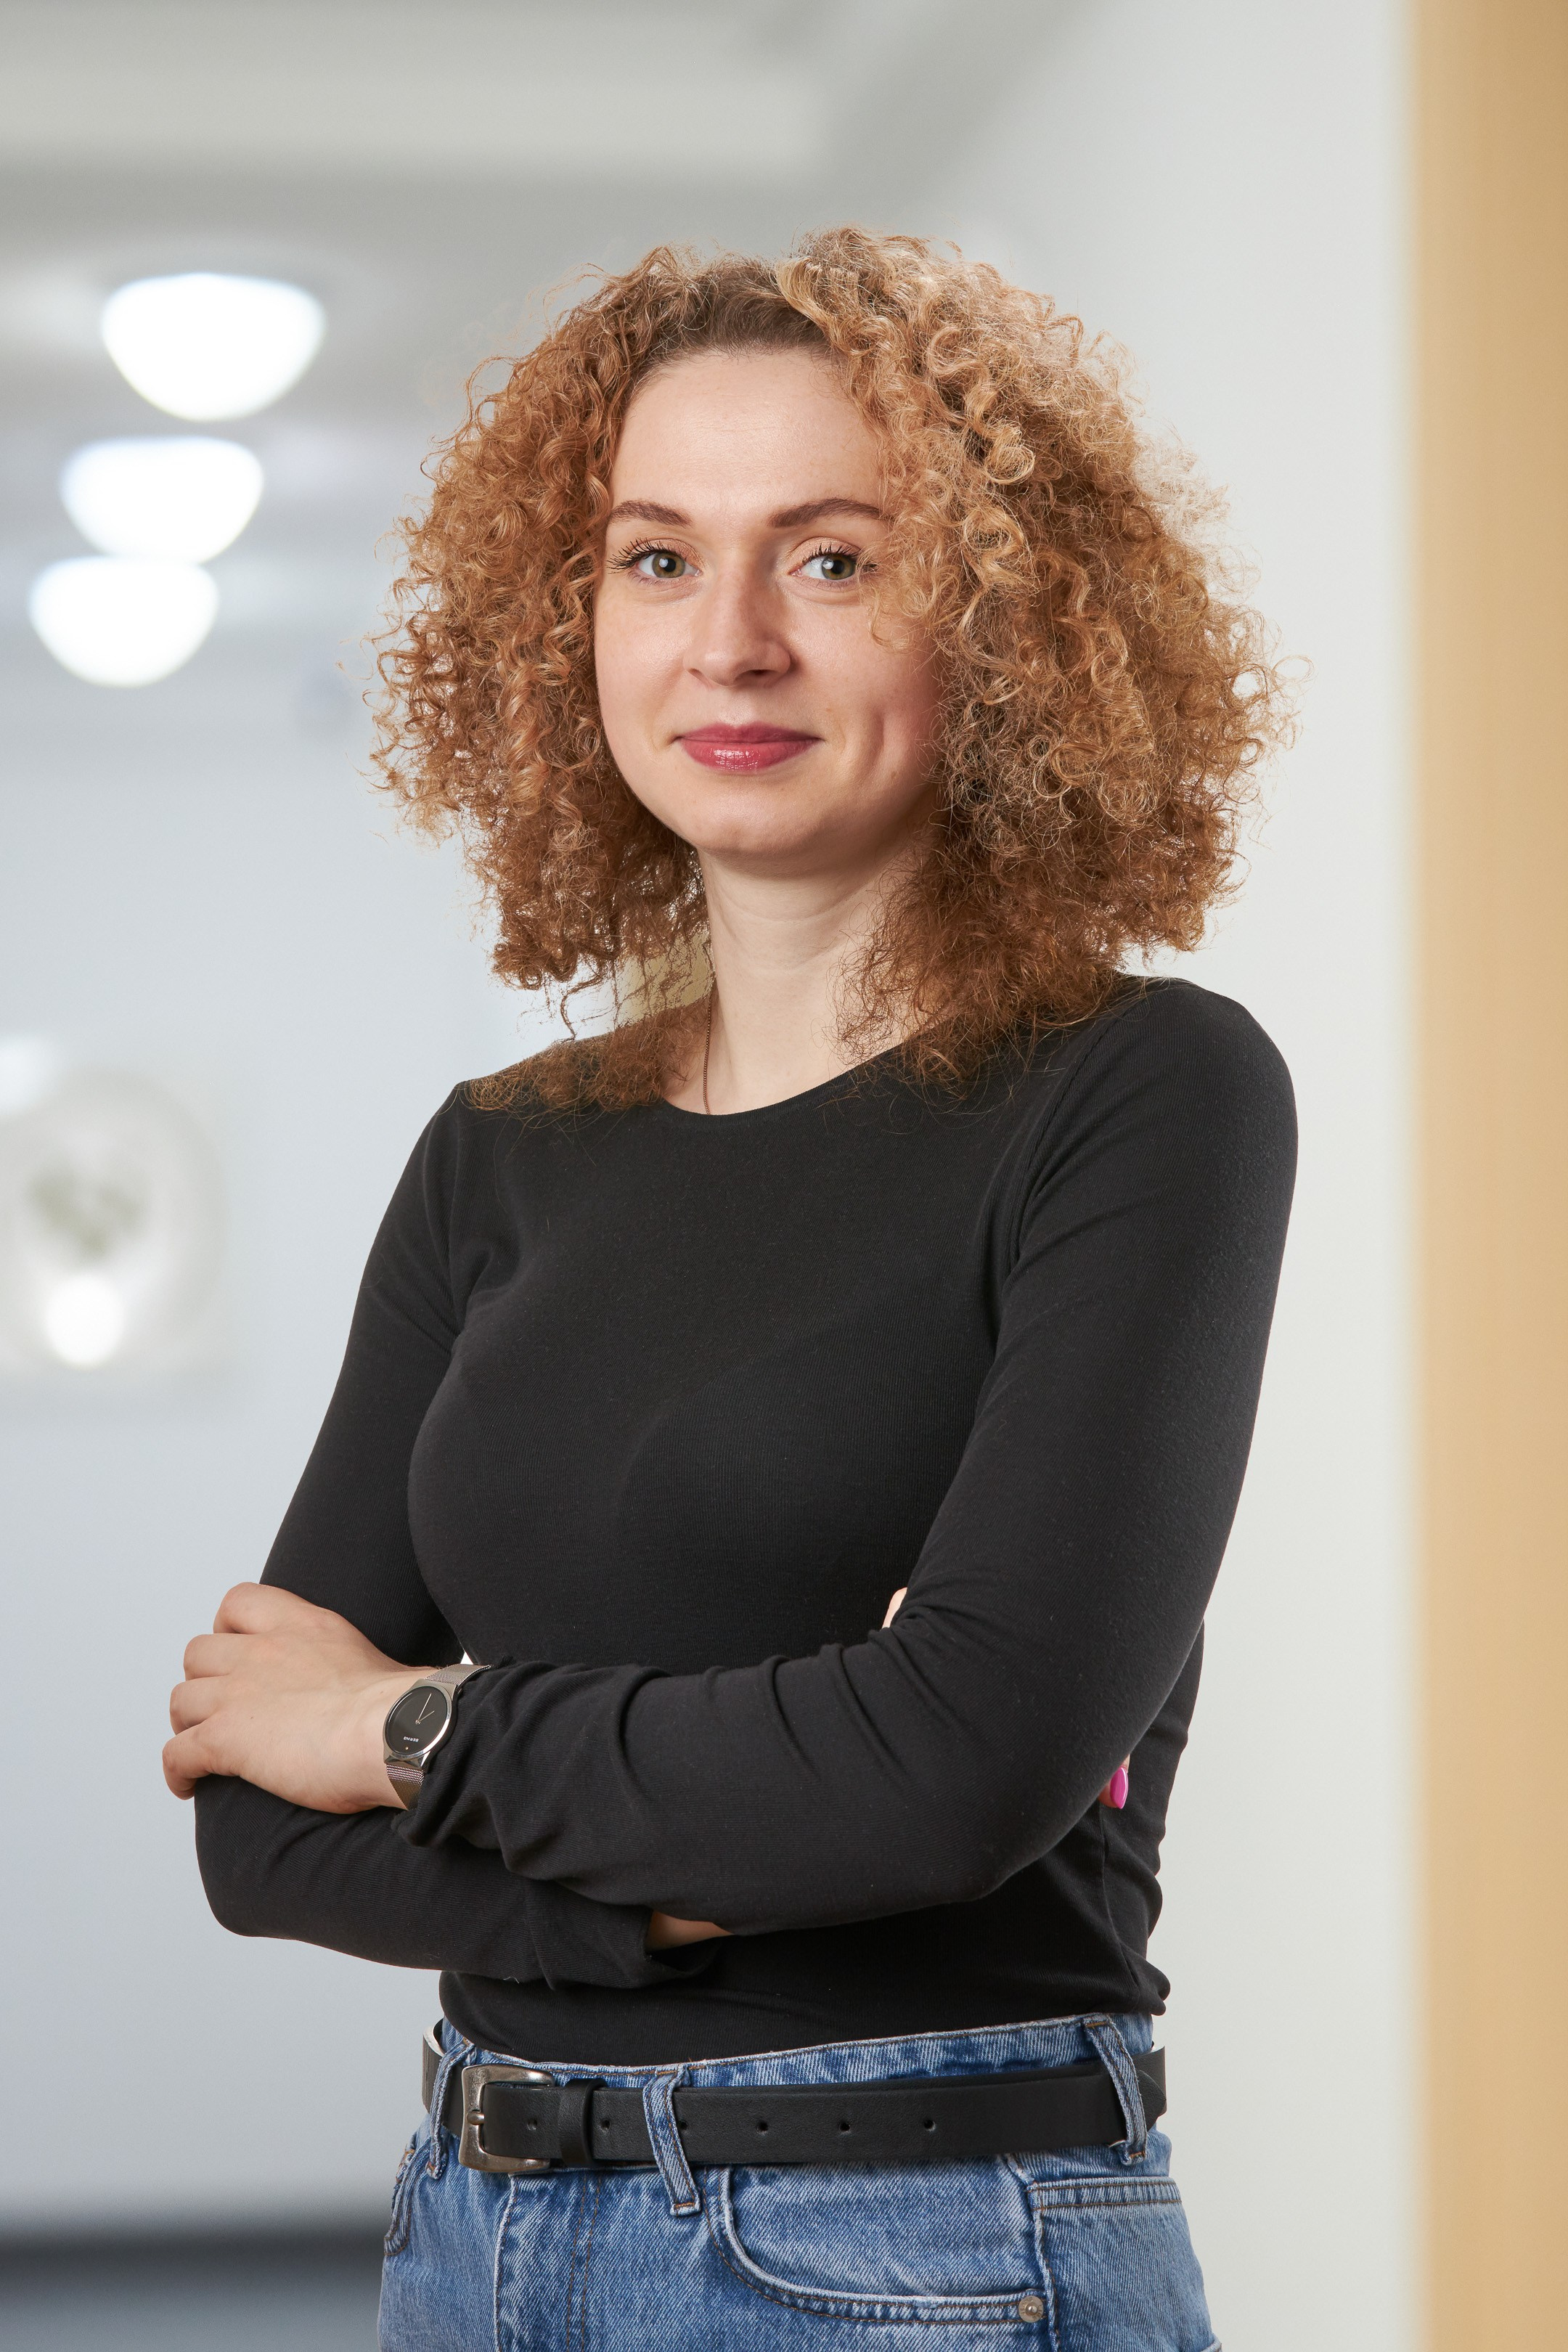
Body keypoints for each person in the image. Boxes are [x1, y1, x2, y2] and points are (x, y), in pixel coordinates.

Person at [166, 229, 1296, 2350]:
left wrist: (390, 1725)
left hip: (921, 2249)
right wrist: (743, 1835)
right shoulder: (501, 1152)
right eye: (658, 560)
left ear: (1013, 626)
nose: (735, 644)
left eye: (837, 561)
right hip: (475, 2229)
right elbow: (248, 1818)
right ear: (568, 622)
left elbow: (955, 1771)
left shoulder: (1146, 1095)